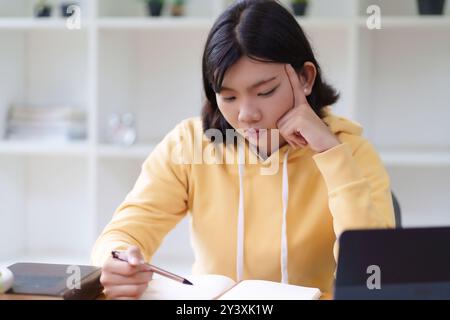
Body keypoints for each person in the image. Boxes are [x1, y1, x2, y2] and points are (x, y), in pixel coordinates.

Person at [91, 0, 395, 300]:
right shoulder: (190, 144)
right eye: (229, 97)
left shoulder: (351, 151)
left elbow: (374, 271)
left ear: (305, 78)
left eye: (265, 92)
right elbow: (125, 231)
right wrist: (115, 260)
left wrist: (331, 153)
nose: (246, 114)